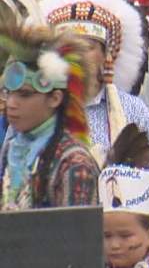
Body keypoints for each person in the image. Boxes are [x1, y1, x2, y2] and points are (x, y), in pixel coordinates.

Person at [41, 0, 149, 162]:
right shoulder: (36, 108)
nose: (78, 56)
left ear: (106, 56)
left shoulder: (132, 110)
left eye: (88, 47)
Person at [0, 11, 99, 210]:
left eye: (25, 95)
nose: (11, 103)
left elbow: (76, 238)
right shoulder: (11, 148)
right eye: (8, 93)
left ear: (54, 98)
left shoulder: (75, 164)